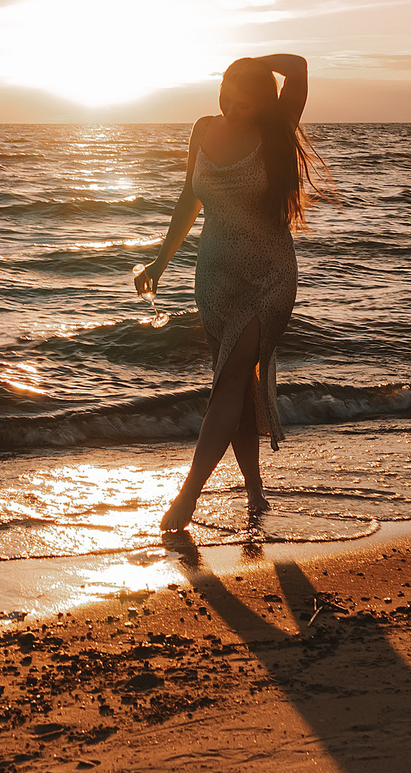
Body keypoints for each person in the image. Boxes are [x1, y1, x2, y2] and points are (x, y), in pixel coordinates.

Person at [133, 53, 335, 534]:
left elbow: (299, 66)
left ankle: (187, 497)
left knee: (226, 384)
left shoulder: (277, 127)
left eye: (242, 103)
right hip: (215, 277)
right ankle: (255, 491)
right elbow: (190, 196)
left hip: (268, 276)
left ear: (262, 103)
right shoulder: (203, 128)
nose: (230, 108)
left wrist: (253, 60)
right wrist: (161, 261)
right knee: (236, 385)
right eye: (225, 94)